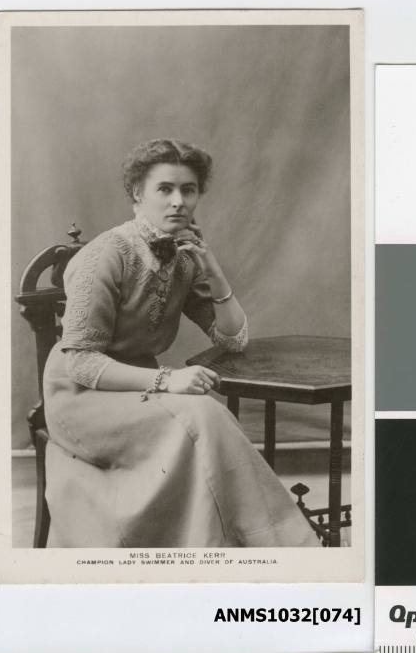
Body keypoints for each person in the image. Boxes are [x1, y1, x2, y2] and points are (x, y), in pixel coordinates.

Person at [43, 138, 318, 548]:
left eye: (188, 190)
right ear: (138, 194)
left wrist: (214, 271)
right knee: (204, 416)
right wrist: (167, 380)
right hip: (81, 397)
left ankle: (240, 543)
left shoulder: (184, 257)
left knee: (205, 416)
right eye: (164, 189)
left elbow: (233, 338)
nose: (178, 202)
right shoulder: (105, 254)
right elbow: (81, 362)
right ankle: (278, 543)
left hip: (138, 389)